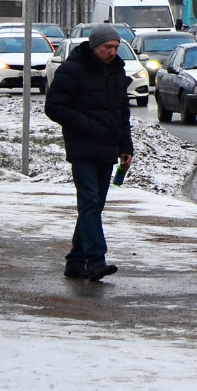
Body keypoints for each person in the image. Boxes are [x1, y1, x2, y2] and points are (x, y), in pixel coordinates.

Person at [45, 24, 134, 282]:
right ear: (94, 46)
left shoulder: (117, 71)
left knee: (93, 206)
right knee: (90, 202)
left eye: (116, 48)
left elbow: (121, 113)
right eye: (108, 47)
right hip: (83, 147)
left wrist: (125, 147)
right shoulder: (72, 70)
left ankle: (75, 261)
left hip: (107, 148)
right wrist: (88, 126)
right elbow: (54, 107)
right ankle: (96, 260)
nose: (112, 52)